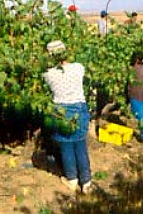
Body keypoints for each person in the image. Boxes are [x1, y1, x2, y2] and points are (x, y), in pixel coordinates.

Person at [43, 40, 93, 194]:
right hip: (78, 108)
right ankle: (86, 182)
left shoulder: (48, 74)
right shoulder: (78, 68)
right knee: (80, 146)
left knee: (66, 147)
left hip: (60, 111)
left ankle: (72, 180)